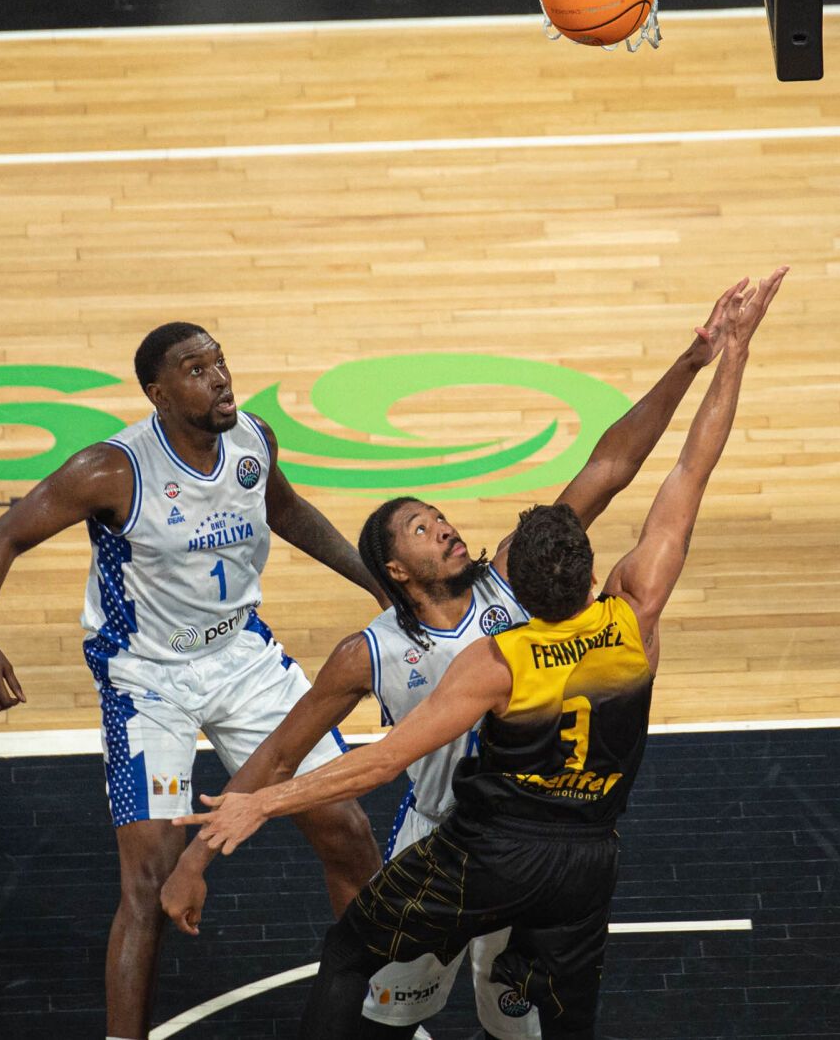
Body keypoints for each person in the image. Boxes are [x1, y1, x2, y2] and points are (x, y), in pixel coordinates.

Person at [179, 268, 787, 1039]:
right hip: (451, 830)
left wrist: (691, 359)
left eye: (442, 516)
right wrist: (202, 849)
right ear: (395, 569)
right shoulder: (370, 651)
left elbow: (610, 465)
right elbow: (288, 748)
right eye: (423, 527)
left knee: (508, 1021)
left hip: (506, 837)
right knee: (397, 1010)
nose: (443, 526)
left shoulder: (509, 595)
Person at [0, 322, 387, 1040]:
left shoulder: (254, 439)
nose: (219, 376)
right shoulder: (112, 469)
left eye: (219, 361)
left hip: (243, 657)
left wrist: (376, 581)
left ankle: (382, 1009)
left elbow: (285, 512)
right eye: (196, 369)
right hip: (147, 679)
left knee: (347, 830)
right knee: (151, 880)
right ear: (159, 394)